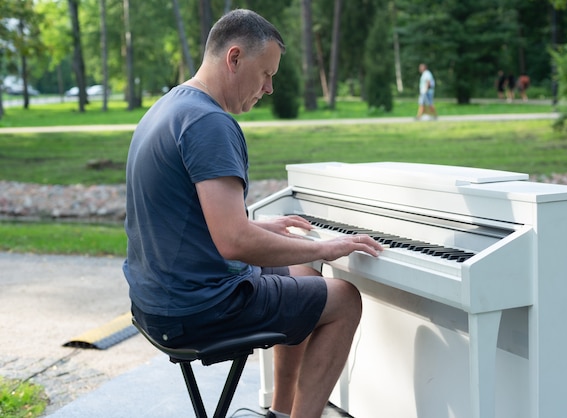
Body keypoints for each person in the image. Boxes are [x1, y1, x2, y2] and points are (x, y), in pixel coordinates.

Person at [122, 9, 383, 418]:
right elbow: (234, 242)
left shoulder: (169, 107)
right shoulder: (210, 123)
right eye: (266, 74)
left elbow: (186, 220)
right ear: (235, 57)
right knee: (345, 300)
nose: (269, 88)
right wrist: (330, 247)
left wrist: (263, 227)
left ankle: (279, 411)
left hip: (156, 301)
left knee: (304, 274)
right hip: (196, 309)